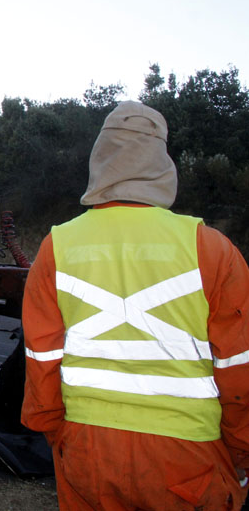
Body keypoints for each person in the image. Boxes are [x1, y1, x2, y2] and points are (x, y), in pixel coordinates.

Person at [21, 101, 249, 510]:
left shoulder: (57, 247)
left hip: (86, 449)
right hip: (189, 457)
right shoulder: (212, 249)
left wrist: (56, 433)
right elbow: (238, 369)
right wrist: (241, 452)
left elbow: (42, 357)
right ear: (162, 162)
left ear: (100, 159)